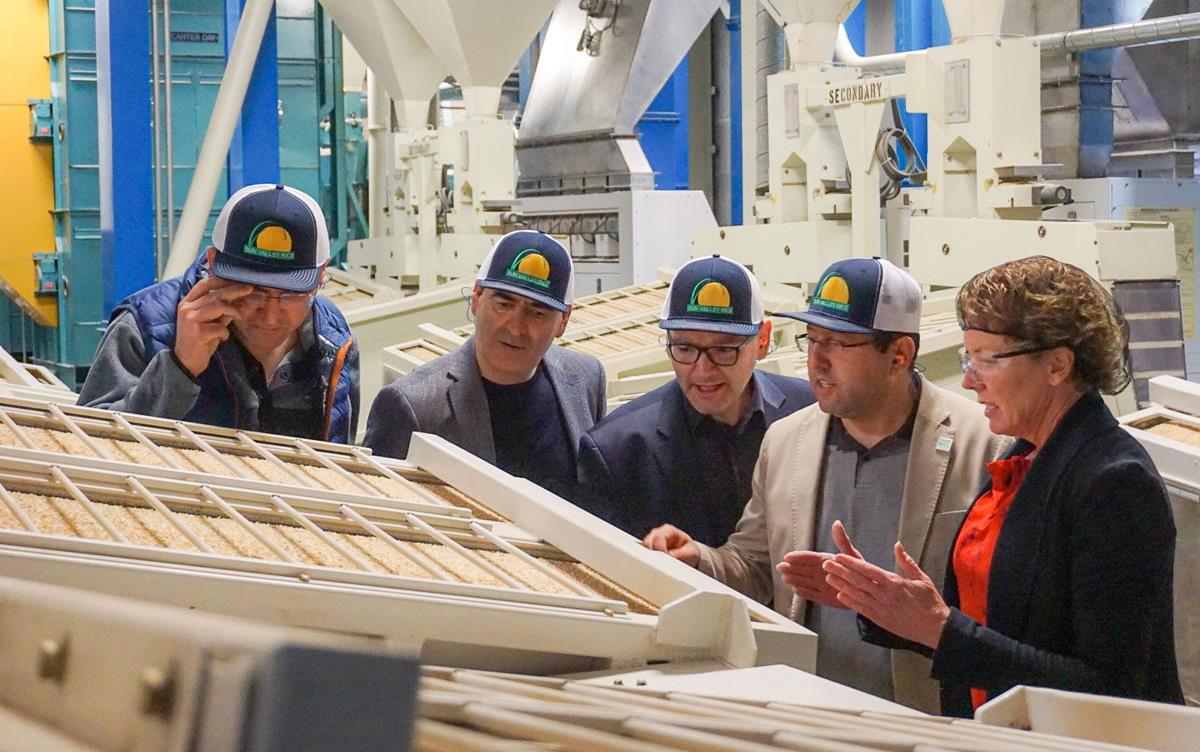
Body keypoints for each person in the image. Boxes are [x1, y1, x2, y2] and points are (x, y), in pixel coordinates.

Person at [823, 256, 1184, 716]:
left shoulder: (1113, 482)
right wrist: (885, 606)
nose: (970, 381)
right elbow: (993, 627)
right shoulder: (1020, 457)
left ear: (1057, 364)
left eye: (986, 360)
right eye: (966, 357)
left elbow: (1110, 686)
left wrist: (940, 630)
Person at [642, 257, 1004, 712]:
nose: (817, 360)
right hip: (811, 712)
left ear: (899, 355)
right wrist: (698, 559)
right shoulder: (787, 441)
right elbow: (754, 568)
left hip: (930, 715)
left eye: (838, 343)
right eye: (812, 339)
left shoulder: (987, 446)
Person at [79, 183, 359, 443]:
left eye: (291, 295)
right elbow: (85, 445)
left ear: (322, 275)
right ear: (213, 263)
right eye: (253, 292)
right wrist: (179, 368)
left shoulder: (333, 339)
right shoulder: (144, 326)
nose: (271, 316)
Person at [576, 255, 814, 546]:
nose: (702, 370)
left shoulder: (809, 415)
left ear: (762, 340)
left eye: (724, 350)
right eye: (685, 348)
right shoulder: (616, 450)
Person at [364, 230, 605, 500]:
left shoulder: (585, 379)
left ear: (563, 320)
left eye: (537, 313)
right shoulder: (412, 406)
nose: (516, 328)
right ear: (476, 298)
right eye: (504, 304)